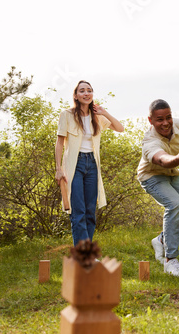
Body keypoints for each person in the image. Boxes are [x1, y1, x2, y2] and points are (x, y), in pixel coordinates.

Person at [137, 99, 179, 276]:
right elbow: (163, 160)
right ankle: (170, 260)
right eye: (159, 119)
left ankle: (160, 240)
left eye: (168, 117)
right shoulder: (149, 141)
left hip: (172, 175)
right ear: (150, 120)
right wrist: (178, 160)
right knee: (174, 205)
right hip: (151, 176)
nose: (165, 123)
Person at [55, 80, 124, 246]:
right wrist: (58, 168)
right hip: (75, 164)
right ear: (76, 96)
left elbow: (120, 128)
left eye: (89, 90)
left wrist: (104, 112)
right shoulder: (67, 115)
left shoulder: (97, 117)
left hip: (92, 164)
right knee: (77, 211)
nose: (86, 93)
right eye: (82, 91)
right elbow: (59, 142)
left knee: (90, 212)